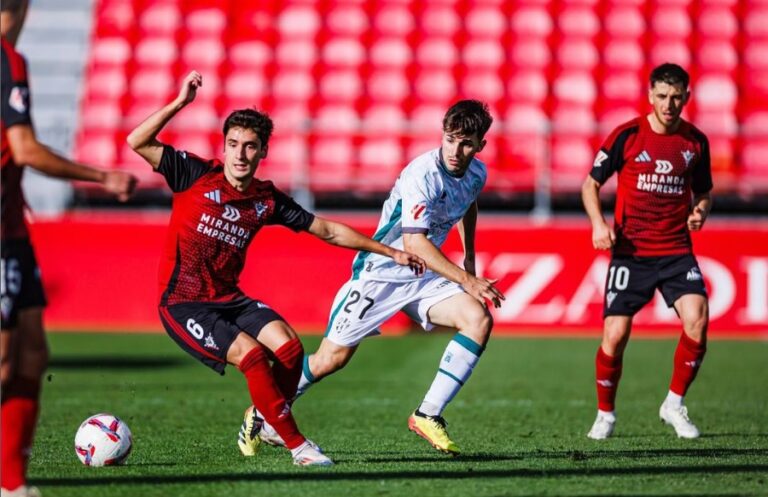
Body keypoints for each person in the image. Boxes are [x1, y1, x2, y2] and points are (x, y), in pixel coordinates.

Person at [125, 70, 426, 467]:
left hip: (229, 299)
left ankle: (268, 422)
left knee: (290, 347)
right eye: (233, 144)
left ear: (263, 151)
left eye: (250, 147)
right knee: (251, 357)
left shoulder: (266, 199)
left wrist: (391, 252)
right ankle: (298, 447)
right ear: (225, 147)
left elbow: (327, 230)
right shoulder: (194, 174)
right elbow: (137, 141)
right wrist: (181, 103)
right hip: (184, 303)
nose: (239, 154)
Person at [239, 100, 505, 457]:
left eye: (467, 142)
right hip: (381, 273)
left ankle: (428, 414)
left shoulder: (476, 174)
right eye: (450, 139)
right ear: (442, 135)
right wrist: (467, 279)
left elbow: (467, 202)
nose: (456, 150)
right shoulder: (421, 174)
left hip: (424, 277)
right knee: (331, 359)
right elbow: (415, 241)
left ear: (481, 145)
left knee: (478, 319)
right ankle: (262, 413)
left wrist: (470, 254)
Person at [1, 1, 137, 495]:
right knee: (3, 360)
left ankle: (11, 485)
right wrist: (101, 175)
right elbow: (25, 149)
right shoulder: (8, 61)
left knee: (33, 352)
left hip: (13, 231)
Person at [581, 63, 713, 440]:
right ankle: (605, 414)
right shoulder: (627, 136)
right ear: (650, 96)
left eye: (676, 97)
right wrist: (597, 224)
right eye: (662, 96)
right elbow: (590, 185)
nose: (669, 104)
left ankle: (673, 403)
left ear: (686, 97)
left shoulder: (695, 142)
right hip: (631, 252)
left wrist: (700, 210)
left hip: (675, 250)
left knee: (698, 319)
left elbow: (703, 193)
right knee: (616, 334)